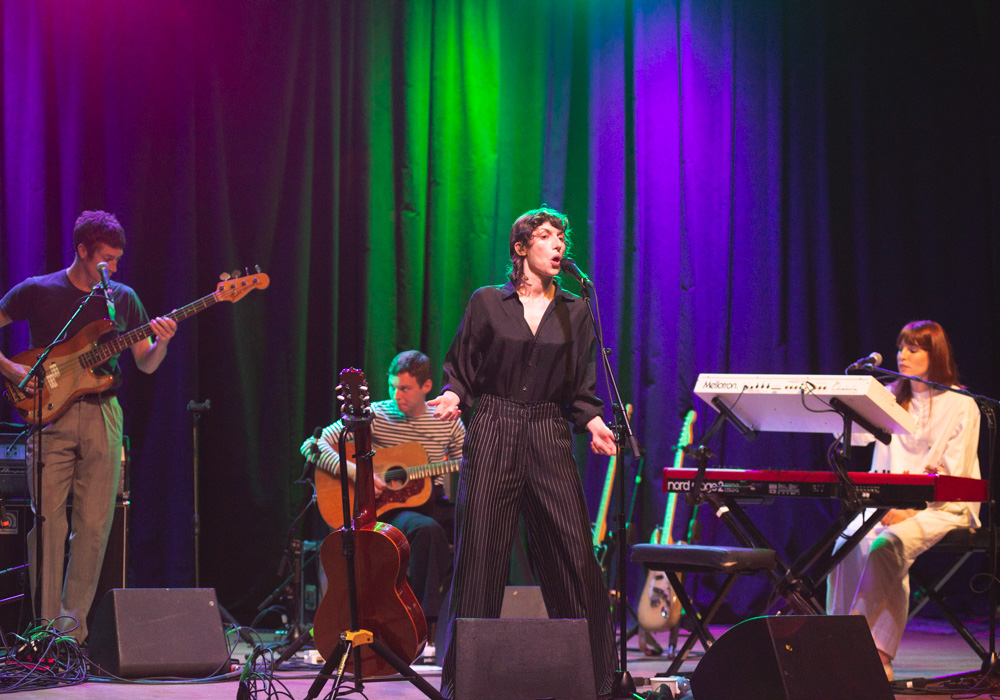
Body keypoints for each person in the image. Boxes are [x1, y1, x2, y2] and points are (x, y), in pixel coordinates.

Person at [428, 207, 618, 698]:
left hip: (549, 429)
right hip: (494, 423)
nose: (558, 244)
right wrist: (452, 396)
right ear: (521, 248)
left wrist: (594, 422)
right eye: (546, 236)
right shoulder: (488, 302)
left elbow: (581, 387)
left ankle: (599, 679)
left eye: (562, 236)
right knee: (482, 552)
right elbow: (462, 367)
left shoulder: (576, 309)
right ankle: (464, 682)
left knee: (574, 552)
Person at [0, 210, 177, 642]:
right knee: (48, 524)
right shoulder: (38, 290)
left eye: (117, 260)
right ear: (82, 250)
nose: (114, 268)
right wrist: (12, 370)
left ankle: (69, 636)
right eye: (106, 259)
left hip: (103, 411)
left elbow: (146, 364)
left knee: (94, 525)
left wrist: (164, 342)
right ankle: (42, 631)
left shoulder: (123, 299)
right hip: (48, 415)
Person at [826, 320, 981, 681]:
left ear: (935, 355)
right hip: (885, 505)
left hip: (945, 508)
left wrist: (911, 509)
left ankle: (869, 651)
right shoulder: (890, 396)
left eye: (914, 348)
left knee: (886, 547)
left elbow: (955, 476)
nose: (902, 355)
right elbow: (851, 433)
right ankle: (833, 639)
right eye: (901, 347)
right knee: (845, 543)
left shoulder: (961, 404)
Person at [299, 350, 466, 653]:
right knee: (427, 531)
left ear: (427, 387)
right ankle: (424, 629)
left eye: (405, 388)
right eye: (392, 387)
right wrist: (355, 473)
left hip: (430, 502)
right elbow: (312, 446)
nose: (396, 395)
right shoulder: (375, 414)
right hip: (386, 508)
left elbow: (465, 464)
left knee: (473, 529)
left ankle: (455, 624)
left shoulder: (446, 420)